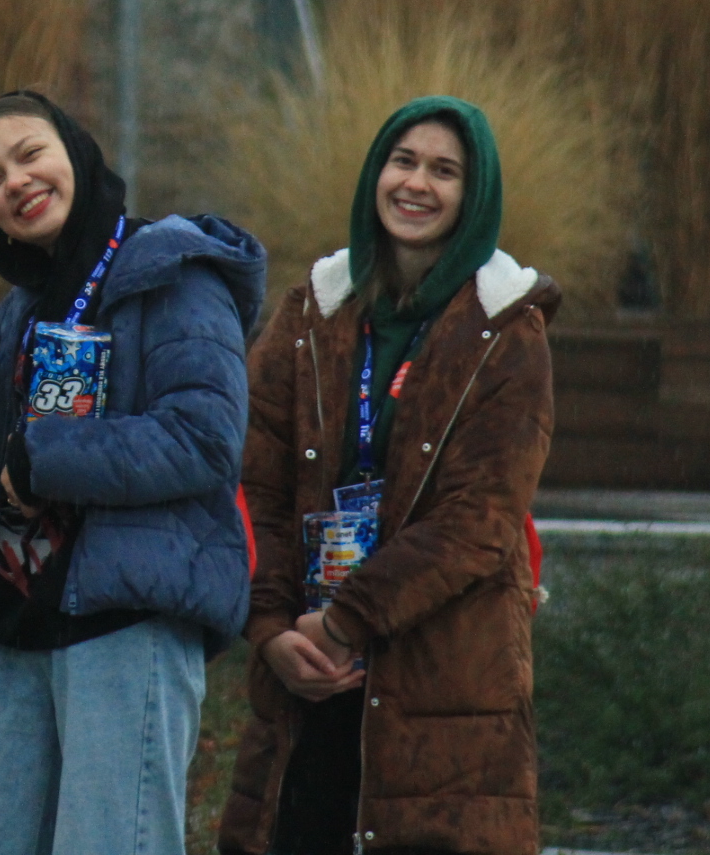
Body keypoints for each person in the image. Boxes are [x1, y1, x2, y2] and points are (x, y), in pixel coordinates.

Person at [0, 89, 266, 855]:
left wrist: (44, 461)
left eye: (30, 154)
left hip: (125, 622)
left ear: (76, 152)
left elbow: (204, 440)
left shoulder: (174, 272)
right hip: (14, 618)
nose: (15, 182)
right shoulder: (19, 311)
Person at [218, 96, 558, 855]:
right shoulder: (310, 313)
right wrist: (270, 628)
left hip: (444, 681)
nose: (417, 184)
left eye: (445, 171)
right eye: (403, 162)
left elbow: (479, 520)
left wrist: (347, 621)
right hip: (307, 672)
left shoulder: (508, 331)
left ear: (475, 197)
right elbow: (255, 483)